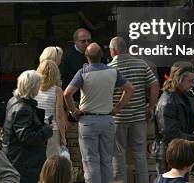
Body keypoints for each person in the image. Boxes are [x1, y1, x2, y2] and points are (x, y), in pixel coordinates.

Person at [63, 43, 134, 183]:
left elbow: (67, 94)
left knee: (90, 161)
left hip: (88, 120)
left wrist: (74, 111)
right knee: (107, 160)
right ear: (102, 55)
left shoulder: (83, 73)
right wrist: (117, 108)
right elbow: (130, 89)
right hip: (107, 119)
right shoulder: (113, 71)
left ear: (86, 56)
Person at [108, 36, 159, 183]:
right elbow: (155, 85)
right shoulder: (141, 64)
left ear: (113, 51)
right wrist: (151, 106)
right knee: (140, 154)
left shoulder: (110, 68)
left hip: (118, 118)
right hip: (138, 116)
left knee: (118, 155)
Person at [2, 70, 53, 183]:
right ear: (33, 87)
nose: (39, 88)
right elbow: (27, 136)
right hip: (24, 162)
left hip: (17, 158)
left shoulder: (14, 101)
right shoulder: (23, 108)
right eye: (38, 85)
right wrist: (46, 130)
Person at [153, 61, 194, 174]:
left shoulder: (182, 96)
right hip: (169, 156)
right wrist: (192, 139)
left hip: (178, 153)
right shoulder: (167, 102)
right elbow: (170, 133)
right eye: (190, 81)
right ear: (179, 79)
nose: (192, 84)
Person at [35, 60, 67, 158]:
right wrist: (63, 136)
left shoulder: (34, 88)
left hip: (36, 128)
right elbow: (59, 116)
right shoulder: (57, 90)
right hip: (52, 129)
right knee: (52, 163)